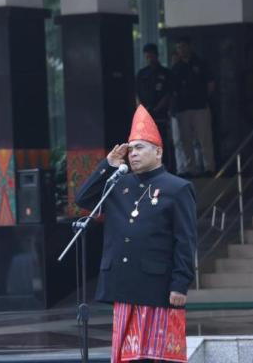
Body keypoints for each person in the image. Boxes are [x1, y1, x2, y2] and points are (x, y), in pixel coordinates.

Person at [75, 105, 197, 363]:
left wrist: (180, 282)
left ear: (158, 151)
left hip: (157, 286)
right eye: (130, 149)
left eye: (140, 147)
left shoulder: (178, 188)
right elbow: (84, 199)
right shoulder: (118, 184)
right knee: (128, 357)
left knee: (156, 357)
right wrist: (108, 165)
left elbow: (185, 240)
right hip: (124, 284)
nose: (133, 154)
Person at [171, 36, 216, 177]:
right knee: (186, 140)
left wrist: (203, 98)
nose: (181, 50)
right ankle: (191, 168)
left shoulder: (201, 64)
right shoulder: (176, 67)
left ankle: (209, 167)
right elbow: (172, 89)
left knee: (204, 138)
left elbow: (210, 84)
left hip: (199, 106)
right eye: (179, 47)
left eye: (183, 46)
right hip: (183, 108)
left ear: (190, 47)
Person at [135, 43, 174, 169]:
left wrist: (158, 108)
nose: (149, 58)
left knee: (162, 141)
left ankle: (164, 165)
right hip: (146, 115)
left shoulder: (165, 73)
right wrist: (142, 110)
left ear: (156, 55)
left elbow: (168, 93)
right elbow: (137, 94)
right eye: (147, 55)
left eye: (151, 55)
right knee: (147, 142)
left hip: (160, 115)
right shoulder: (142, 73)